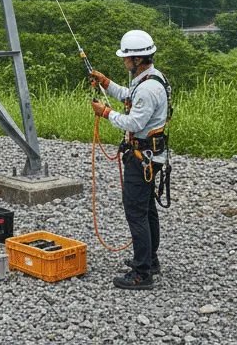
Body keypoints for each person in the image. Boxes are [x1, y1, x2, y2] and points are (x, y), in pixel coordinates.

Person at [89, 30, 172, 290]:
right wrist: (106, 83)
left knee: (136, 213)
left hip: (143, 159)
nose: (124, 61)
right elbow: (129, 96)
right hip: (151, 156)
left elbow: (134, 121)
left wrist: (106, 113)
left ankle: (141, 273)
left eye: (126, 57)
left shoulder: (147, 88)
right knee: (147, 210)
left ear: (137, 59)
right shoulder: (150, 79)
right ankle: (150, 260)